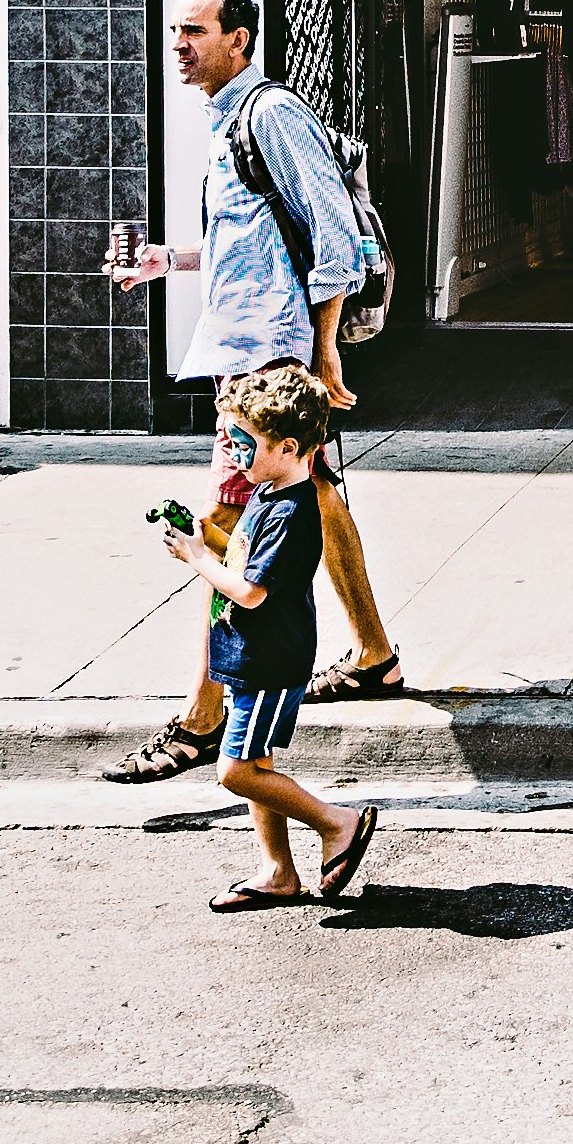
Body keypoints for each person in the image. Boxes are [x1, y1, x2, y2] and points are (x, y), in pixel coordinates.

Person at [101, 0, 405, 787]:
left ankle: (203, 720)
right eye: (175, 29)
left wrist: (325, 351)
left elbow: (337, 239)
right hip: (256, 346)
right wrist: (170, 262)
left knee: (222, 527)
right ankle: (375, 657)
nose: (178, 44)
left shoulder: (270, 113)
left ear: (239, 38)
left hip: (272, 360)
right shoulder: (227, 119)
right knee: (323, 500)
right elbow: (252, 239)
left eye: (195, 30)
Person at [167, 365, 377, 916]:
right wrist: (204, 536)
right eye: (231, 440)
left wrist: (198, 560)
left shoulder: (290, 510)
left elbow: (251, 591)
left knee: (236, 772)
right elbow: (242, 553)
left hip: (269, 661)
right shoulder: (267, 491)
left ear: (288, 446)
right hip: (249, 657)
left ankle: (337, 822)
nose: (235, 453)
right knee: (256, 766)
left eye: (245, 442)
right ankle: (279, 873)